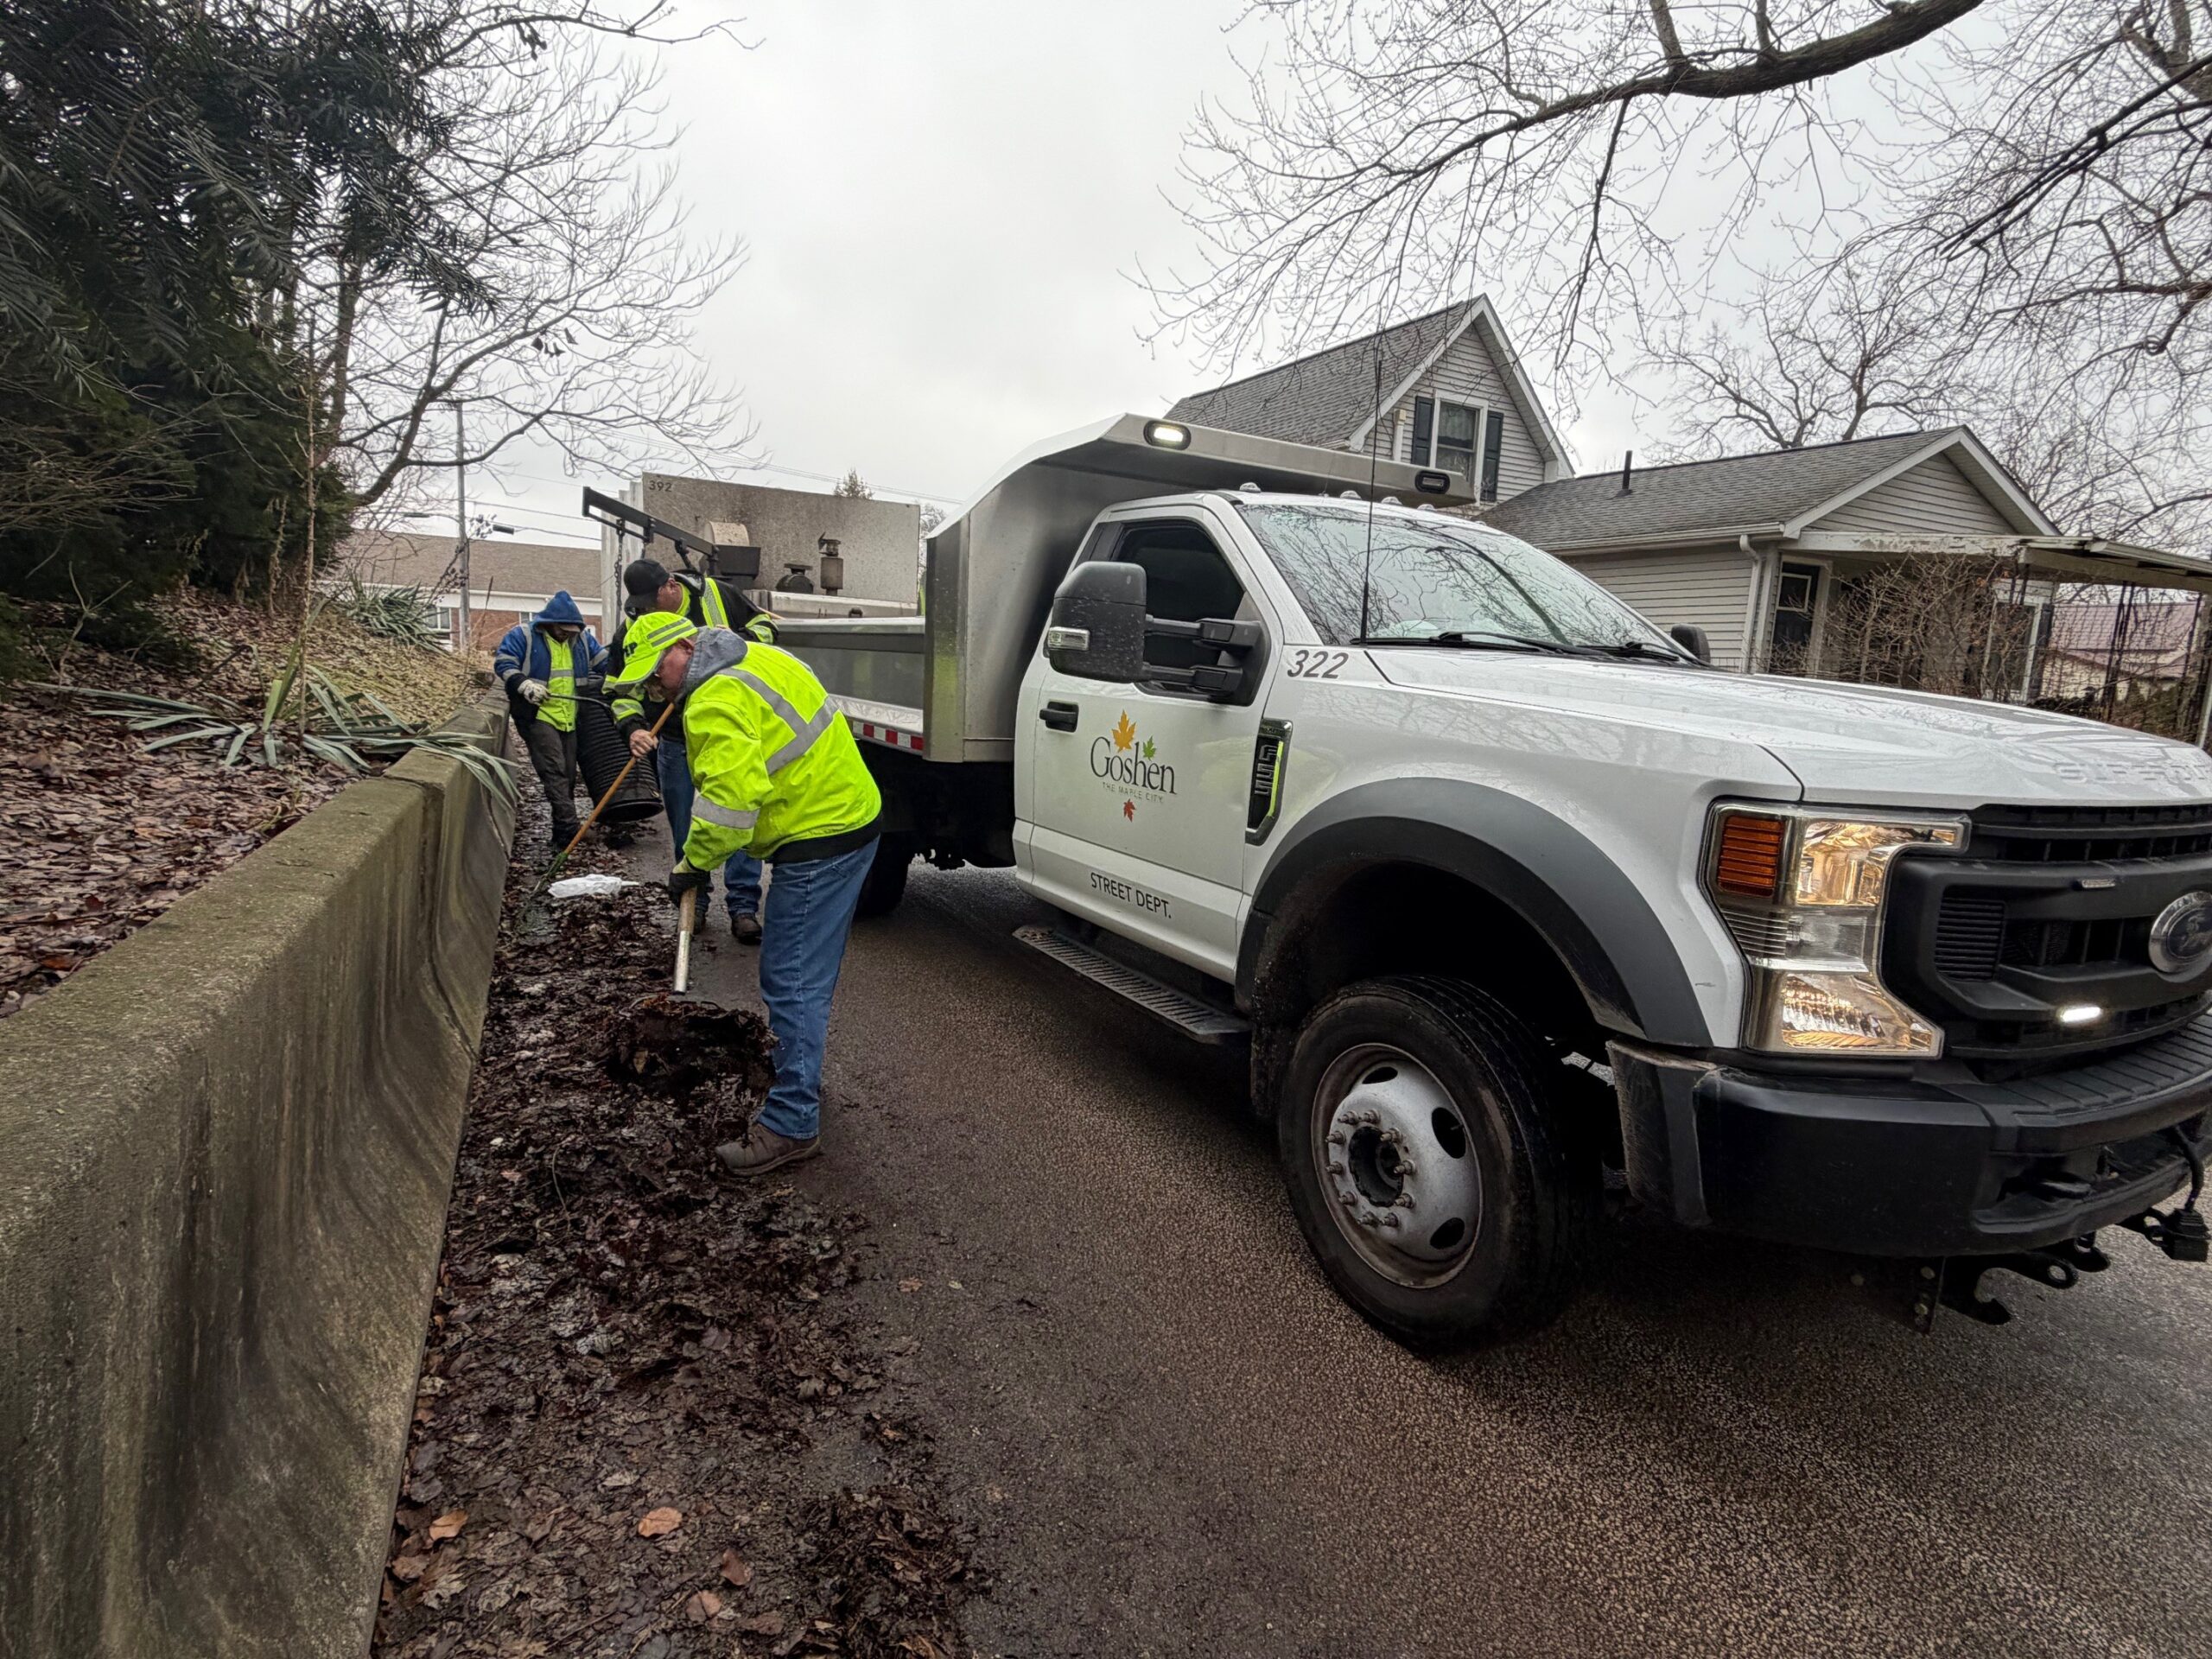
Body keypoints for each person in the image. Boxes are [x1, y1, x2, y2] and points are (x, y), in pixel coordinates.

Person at [605, 612, 880, 1176]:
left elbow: (729, 813)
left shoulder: (712, 700)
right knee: (808, 976)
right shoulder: (757, 655)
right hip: (853, 817)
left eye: (658, 672)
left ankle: (791, 1123)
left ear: (685, 645)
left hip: (818, 837)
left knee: (792, 979)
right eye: (649, 683)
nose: (658, 688)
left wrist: (690, 867)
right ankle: (798, 1072)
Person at [607, 558, 779, 944]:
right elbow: (618, 688)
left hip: (729, 729)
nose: (647, 611)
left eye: (653, 601)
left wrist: (734, 645)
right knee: (686, 828)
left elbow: (766, 624)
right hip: (675, 740)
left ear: (671, 586)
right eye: (641, 605)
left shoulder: (718, 596)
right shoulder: (634, 624)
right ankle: (693, 902)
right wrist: (632, 728)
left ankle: (744, 906)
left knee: (736, 817)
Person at [493, 590, 604, 855]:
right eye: (562, 629)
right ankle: (569, 831)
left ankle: (560, 832)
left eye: (571, 630)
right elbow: (504, 662)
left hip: (568, 715)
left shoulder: (582, 640)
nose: (566, 634)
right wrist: (524, 685)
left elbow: (605, 663)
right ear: (549, 623)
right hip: (538, 715)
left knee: (567, 773)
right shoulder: (525, 636)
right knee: (554, 771)